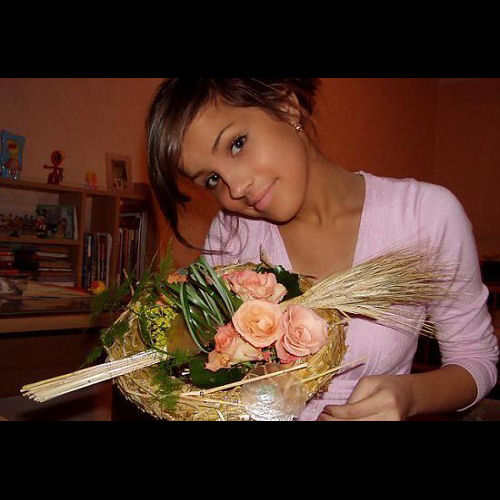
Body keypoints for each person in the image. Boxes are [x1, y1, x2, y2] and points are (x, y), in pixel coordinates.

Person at [146, 78, 499, 421]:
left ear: (287, 105)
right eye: (212, 179)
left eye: (237, 144)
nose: (235, 188)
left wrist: (409, 395)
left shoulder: (423, 215)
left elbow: (475, 359)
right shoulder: (232, 235)